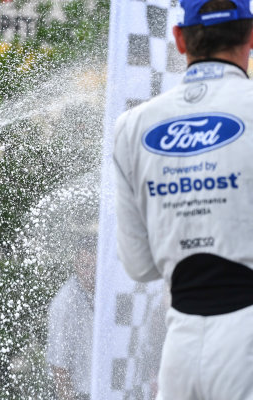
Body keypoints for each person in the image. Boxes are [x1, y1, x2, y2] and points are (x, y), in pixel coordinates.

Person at [113, 1, 253, 398]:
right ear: (252, 36)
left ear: (179, 39)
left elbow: (139, 266)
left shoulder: (132, 126)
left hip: (180, 352)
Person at [46, 239, 96, 400]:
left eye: (95, 267)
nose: (91, 273)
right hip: (80, 392)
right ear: (76, 266)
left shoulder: (106, 292)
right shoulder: (64, 304)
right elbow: (58, 364)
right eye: (86, 267)